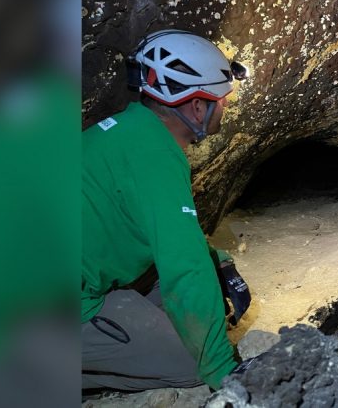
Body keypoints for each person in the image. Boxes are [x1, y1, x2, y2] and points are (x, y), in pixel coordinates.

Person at [82, 29, 251, 391]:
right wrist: (223, 370)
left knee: (201, 295)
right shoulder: (155, 158)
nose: (225, 106)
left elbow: (171, 234)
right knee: (192, 364)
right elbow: (184, 268)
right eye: (221, 100)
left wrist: (215, 259)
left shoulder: (132, 133)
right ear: (196, 106)